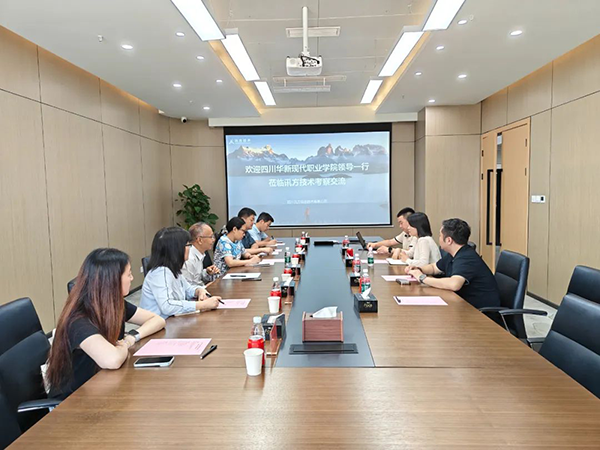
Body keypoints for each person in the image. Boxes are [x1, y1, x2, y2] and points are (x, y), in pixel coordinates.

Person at [46, 248, 166, 400]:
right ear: (113, 280)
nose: (132, 278)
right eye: (128, 274)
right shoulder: (78, 319)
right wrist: (123, 346)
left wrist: (131, 338)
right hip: (73, 399)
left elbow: (157, 320)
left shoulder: (113, 304)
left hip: (102, 384)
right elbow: (112, 360)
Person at [407, 218, 500, 309]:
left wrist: (422, 278)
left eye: (440, 236)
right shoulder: (454, 254)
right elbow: (434, 268)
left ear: (448, 240)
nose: (439, 239)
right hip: (463, 305)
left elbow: (454, 284)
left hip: (480, 312)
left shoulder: (466, 257)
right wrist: (419, 269)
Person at [141, 227, 221, 319]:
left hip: (173, 320)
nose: (190, 249)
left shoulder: (173, 269)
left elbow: (188, 289)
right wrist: (202, 305)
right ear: (176, 249)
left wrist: (199, 291)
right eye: (188, 245)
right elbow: (167, 306)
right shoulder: (161, 272)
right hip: (161, 323)